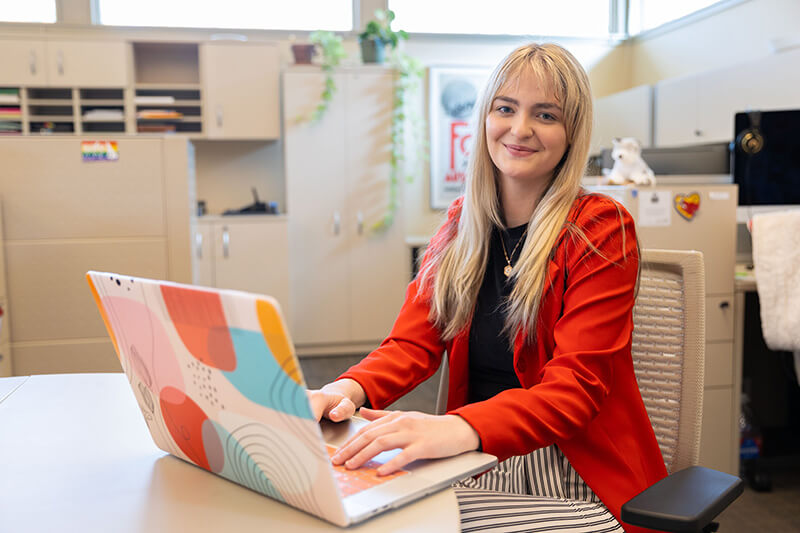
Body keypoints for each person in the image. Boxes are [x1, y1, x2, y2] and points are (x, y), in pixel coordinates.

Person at [308, 42, 667, 532]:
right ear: (485, 118)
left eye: (545, 115)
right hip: (477, 457)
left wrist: (458, 427)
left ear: (571, 133)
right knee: (338, 498)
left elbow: (573, 392)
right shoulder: (462, 225)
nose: (520, 129)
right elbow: (411, 345)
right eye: (505, 108)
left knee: (395, 524)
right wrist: (342, 390)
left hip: (574, 473)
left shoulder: (601, 227)